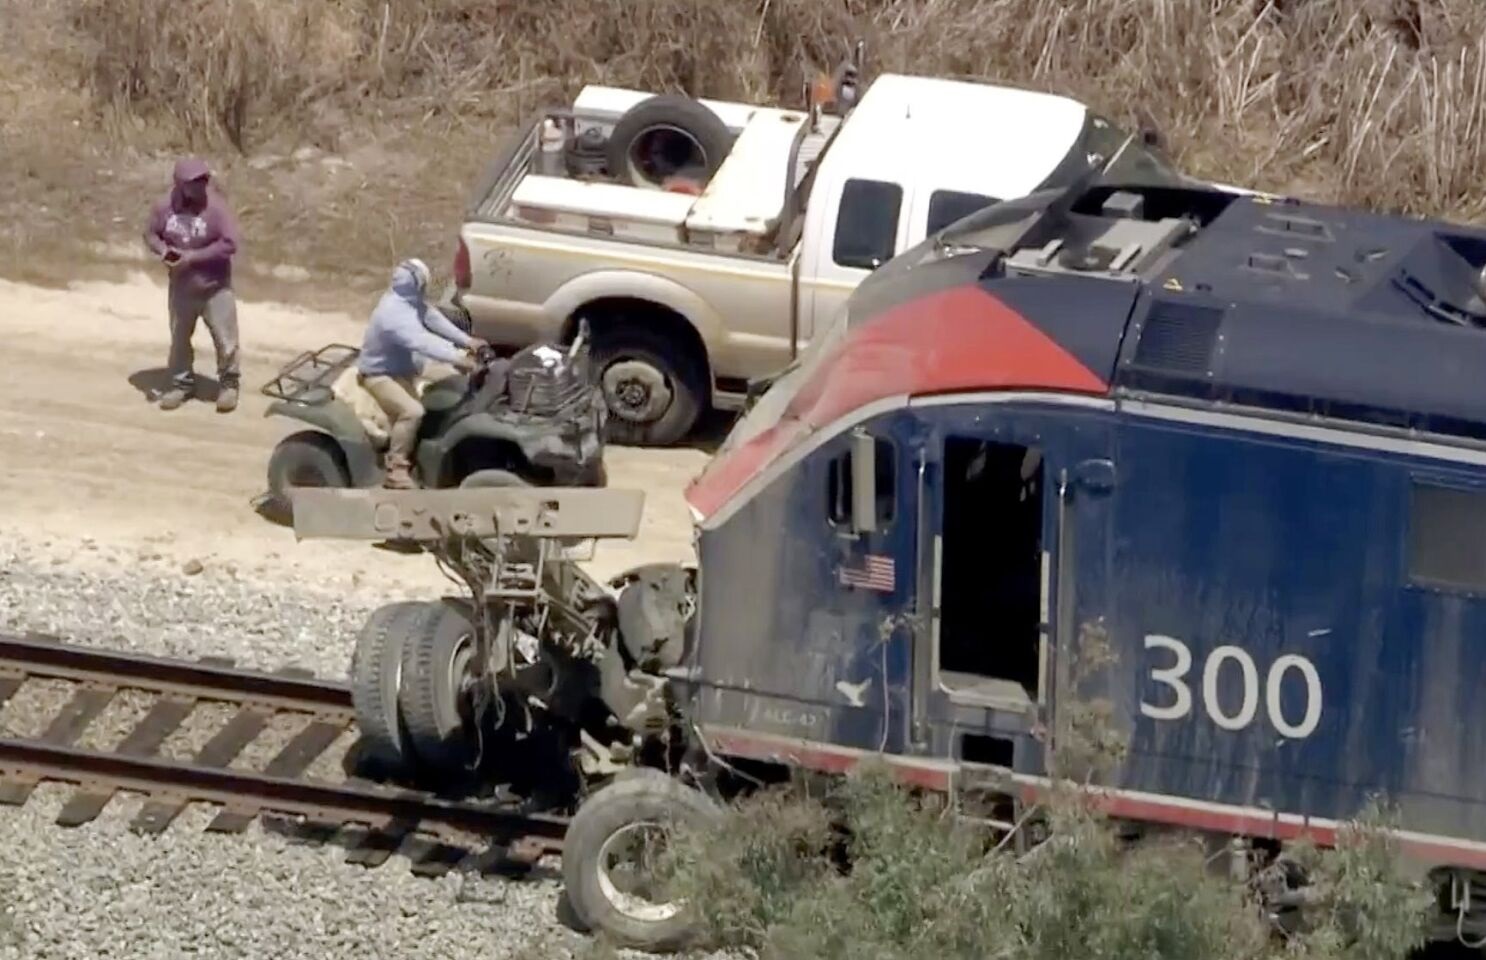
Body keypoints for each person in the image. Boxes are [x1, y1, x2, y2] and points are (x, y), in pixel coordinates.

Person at [358, 257, 486, 489]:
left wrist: (468, 341)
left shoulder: (407, 302)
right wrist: (459, 358)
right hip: (379, 376)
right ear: (418, 283)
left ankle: (413, 456)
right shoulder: (393, 314)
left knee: (442, 393)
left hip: (402, 372)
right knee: (412, 412)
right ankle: (395, 470)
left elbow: (433, 318)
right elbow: (423, 341)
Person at [143, 157, 243, 413]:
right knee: (179, 339)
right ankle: (181, 384)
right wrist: (164, 251)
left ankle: (229, 385)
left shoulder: (216, 209)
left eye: (202, 181)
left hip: (215, 287)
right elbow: (151, 234)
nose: (199, 187)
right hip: (181, 287)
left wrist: (193, 258)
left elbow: (230, 243)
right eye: (192, 183)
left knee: (226, 340)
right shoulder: (164, 206)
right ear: (179, 184)